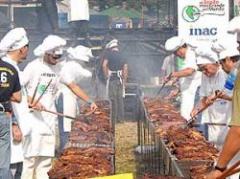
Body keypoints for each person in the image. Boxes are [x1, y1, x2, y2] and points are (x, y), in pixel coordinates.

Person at [21, 35, 97, 179]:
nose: (57, 60)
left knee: (45, 160)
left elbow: (72, 85)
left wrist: (89, 101)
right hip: (32, 119)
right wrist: (31, 100)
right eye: (54, 57)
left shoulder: (60, 68)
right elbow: (18, 88)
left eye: (59, 57)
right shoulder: (33, 66)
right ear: (47, 53)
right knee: (30, 159)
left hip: (49, 119)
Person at [0, 28, 30, 179]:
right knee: (9, 164)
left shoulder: (13, 66)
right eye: (27, 47)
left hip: (17, 124)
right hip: (10, 123)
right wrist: (13, 124)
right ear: (22, 49)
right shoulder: (9, 68)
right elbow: (6, 98)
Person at [191, 45, 232, 150]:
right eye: (201, 70)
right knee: (214, 151)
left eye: (205, 68)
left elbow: (228, 94)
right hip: (213, 123)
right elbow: (204, 98)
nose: (204, 72)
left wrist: (217, 96)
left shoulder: (226, 73)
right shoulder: (205, 76)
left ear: (215, 63)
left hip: (227, 122)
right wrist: (196, 110)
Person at [57, 45, 93, 152]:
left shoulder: (68, 63)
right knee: (66, 124)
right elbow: (87, 75)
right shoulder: (73, 65)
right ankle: (65, 149)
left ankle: (67, 147)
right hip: (65, 96)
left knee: (69, 123)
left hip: (68, 95)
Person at [164, 36, 202, 120]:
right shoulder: (186, 58)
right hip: (188, 96)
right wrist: (177, 90)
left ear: (180, 49)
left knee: (193, 122)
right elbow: (188, 78)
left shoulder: (191, 54)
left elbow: (189, 71)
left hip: (194, 97)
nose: (176, 55)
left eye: (175, 53)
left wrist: (173, 74)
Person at [102, 39, 128, 124]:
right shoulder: (123, 55)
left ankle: (113, 120)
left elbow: (104, 65)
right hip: (120, 79)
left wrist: (106, 75)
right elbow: (125, 68)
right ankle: (121, 119)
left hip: (112, 79)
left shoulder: (108, 55)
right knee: (120, 100)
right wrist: (124, 81)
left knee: (113, 100)